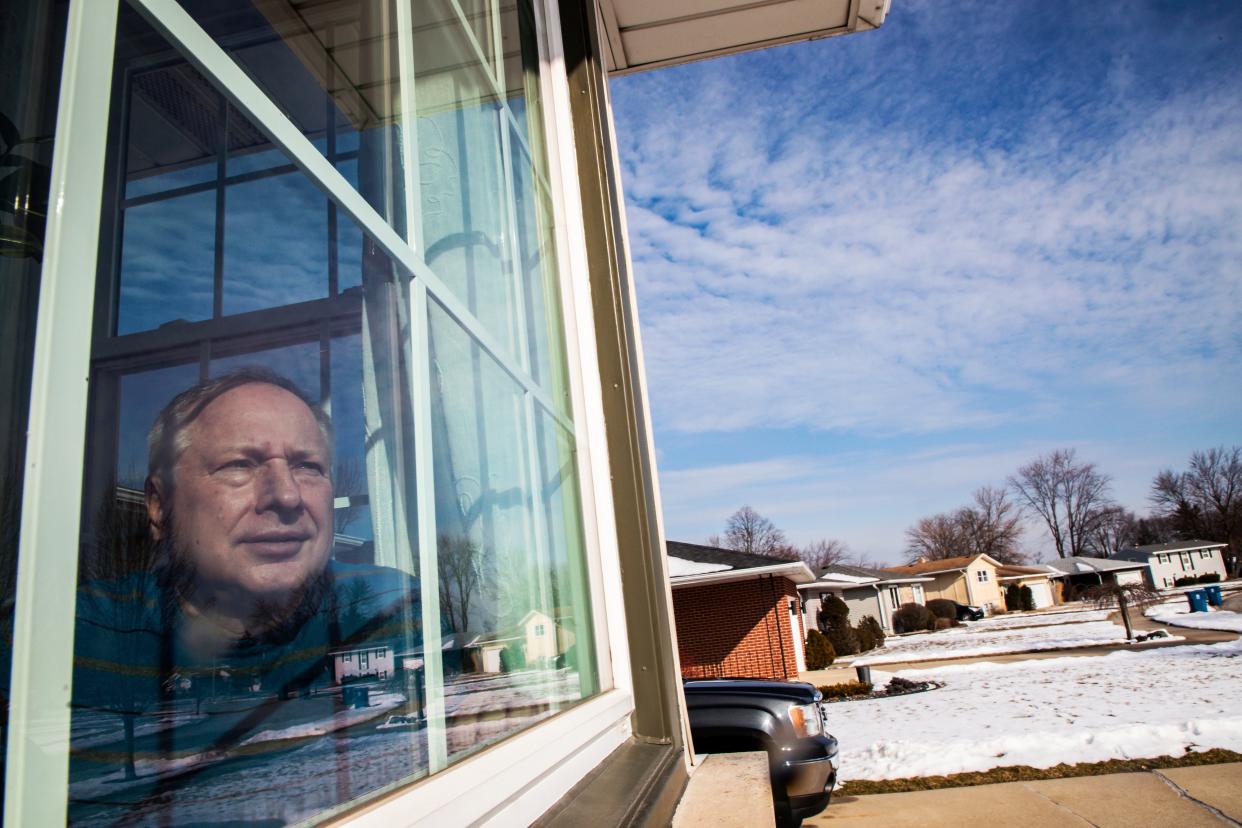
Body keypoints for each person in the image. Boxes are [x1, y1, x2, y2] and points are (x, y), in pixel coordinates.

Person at [68, 369, 424, 819]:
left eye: (307, 467)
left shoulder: (394, 613)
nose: (287, 496)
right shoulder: (66, 643)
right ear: (159, 505)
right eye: (240, 465)